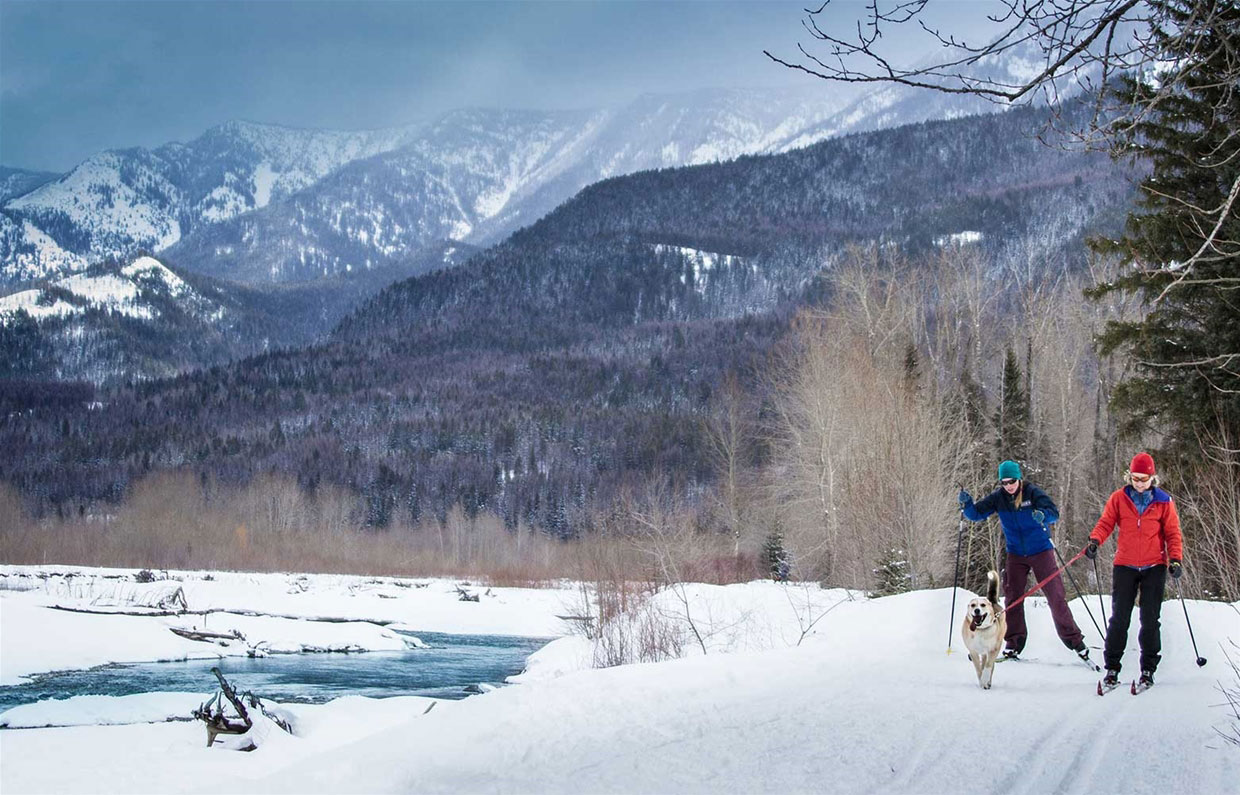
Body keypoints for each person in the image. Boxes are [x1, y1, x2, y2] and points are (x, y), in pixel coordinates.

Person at [959, 460, 1089, 662]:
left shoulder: (1032, 493)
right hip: (1016, 554)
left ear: (1019, 479)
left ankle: (1075, 642)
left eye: (1012, 481)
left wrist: (1042, 515)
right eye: (1004, 482)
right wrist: (967, 504)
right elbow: (976, 514)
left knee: (1055, 597)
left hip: (1041, 551)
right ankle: (1013, 644)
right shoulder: (999, 498)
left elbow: (1054, 514)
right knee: (1012, 599)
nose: (1008, 486)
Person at [1086, 452, 1184, 690]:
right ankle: (1112, 668)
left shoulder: (1163, 501)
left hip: (1154, 566)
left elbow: (1172, 533)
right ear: (1129, 477)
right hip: (1125, 565)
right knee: (1119, 618)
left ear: (1153, 478)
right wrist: (1095, 540)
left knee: (1150, 620)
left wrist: (1176, 560)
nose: (1139, 483)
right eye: (1135, 478)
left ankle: (1148, 669)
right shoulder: (1119, 498)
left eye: (1144, 479)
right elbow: (1106, 522)